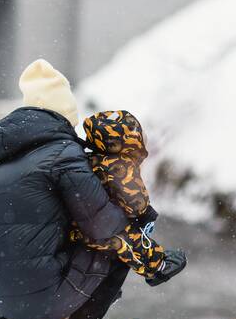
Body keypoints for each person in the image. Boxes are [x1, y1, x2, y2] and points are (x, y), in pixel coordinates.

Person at [0, 59, 184, 319]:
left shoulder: (2, 156)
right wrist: (156, 262)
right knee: (116, 248)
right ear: (64, 113)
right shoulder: (64, 156)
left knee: (37, 249)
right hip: (30, 287)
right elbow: (106, 227)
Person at [69, 109, 184, 283]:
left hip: (79, 223)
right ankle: (157, 267)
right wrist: (145, 215)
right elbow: (137, 205)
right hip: (94, 230)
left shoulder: (91, 158)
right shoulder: (123, 168)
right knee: (126, 238)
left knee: (116, 230)